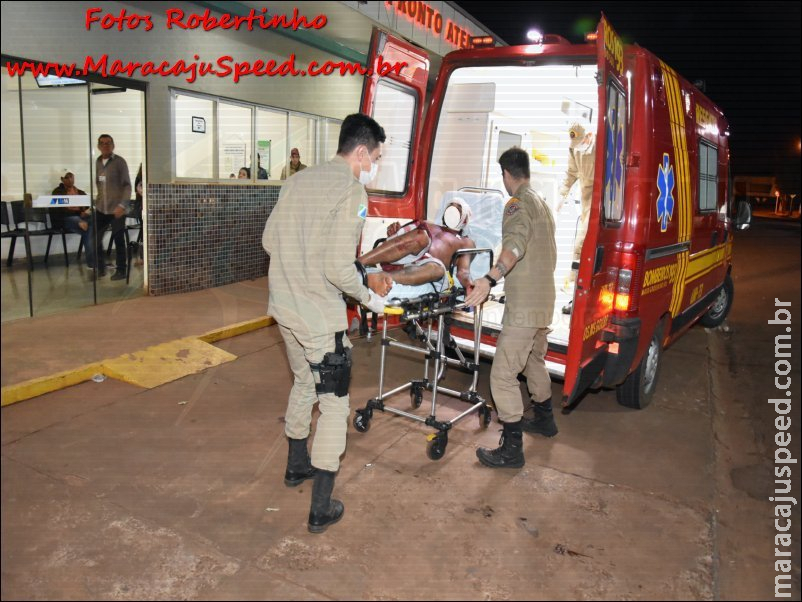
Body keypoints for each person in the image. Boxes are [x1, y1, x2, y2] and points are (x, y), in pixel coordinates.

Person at [262, 113, 392, 534]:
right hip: (318, 315)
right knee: (335, 404)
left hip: (284, 307)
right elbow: (338, 266)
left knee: (304, 382)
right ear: (359, 152)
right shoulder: (351, 190)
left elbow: (269, 240)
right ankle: (321, 506)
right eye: (374, 156)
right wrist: (369, 298)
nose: (374, 165)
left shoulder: (298, 180)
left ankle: (296, 466)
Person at [464, 147, 558, 469]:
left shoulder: (517, 204)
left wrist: (490, 278)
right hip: (544, 304)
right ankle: (545, 420)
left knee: (502, 375)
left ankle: (512, 449)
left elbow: (514, 246)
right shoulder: (543, 205)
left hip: (526, 309)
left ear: (506, 174)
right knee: (534, 362)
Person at [357, 198, 476, 293]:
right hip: (402, 255)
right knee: (422, 237)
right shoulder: (428, 225)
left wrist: (469, 284)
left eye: (458, 208)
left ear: (465, 219)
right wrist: (396, 232)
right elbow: (401, 239)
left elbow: (463, 272)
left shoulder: (466, 242)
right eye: (452, 205)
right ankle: (358, 263)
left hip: (424, 266)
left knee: (438, 270)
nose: (453, 209)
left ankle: (380, 277)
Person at [556, 122, 596, 314]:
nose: (578, 146)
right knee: (581, 245)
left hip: (604, 198)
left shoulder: (601, 145)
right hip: (588, 198)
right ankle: (577, 294)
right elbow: (571, 173)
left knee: (590, 245)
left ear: (589, 135)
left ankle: (587, 297)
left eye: (581, 141)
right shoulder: (574, 149)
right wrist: (561, 195)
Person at [87, 134, 131, 281]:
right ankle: (100, 269)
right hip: (101, 209)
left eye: (108, 143)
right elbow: (99, 185)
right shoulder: (98, 162)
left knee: (118, 239)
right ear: (98, 146)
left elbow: (127, 185)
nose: (105, 146)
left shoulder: (119, 162)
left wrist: (122, 205)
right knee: (95, 238)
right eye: (102, 143)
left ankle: (121, 270)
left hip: (116, 209)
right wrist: (95, 204)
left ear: (113, 145)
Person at [50, 169, 90, 249]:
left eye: (71, 177)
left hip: (81, 216)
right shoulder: (58, 192)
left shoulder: (80, 192)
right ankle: (92, 257)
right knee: (85, 226)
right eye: (67, 177)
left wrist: (86, 212)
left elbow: (88, 205)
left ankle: (94, 256)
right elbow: (60, 210)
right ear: (62, 179)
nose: (70, 180)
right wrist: (79, 212)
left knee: (95, 224)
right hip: (65, 218)